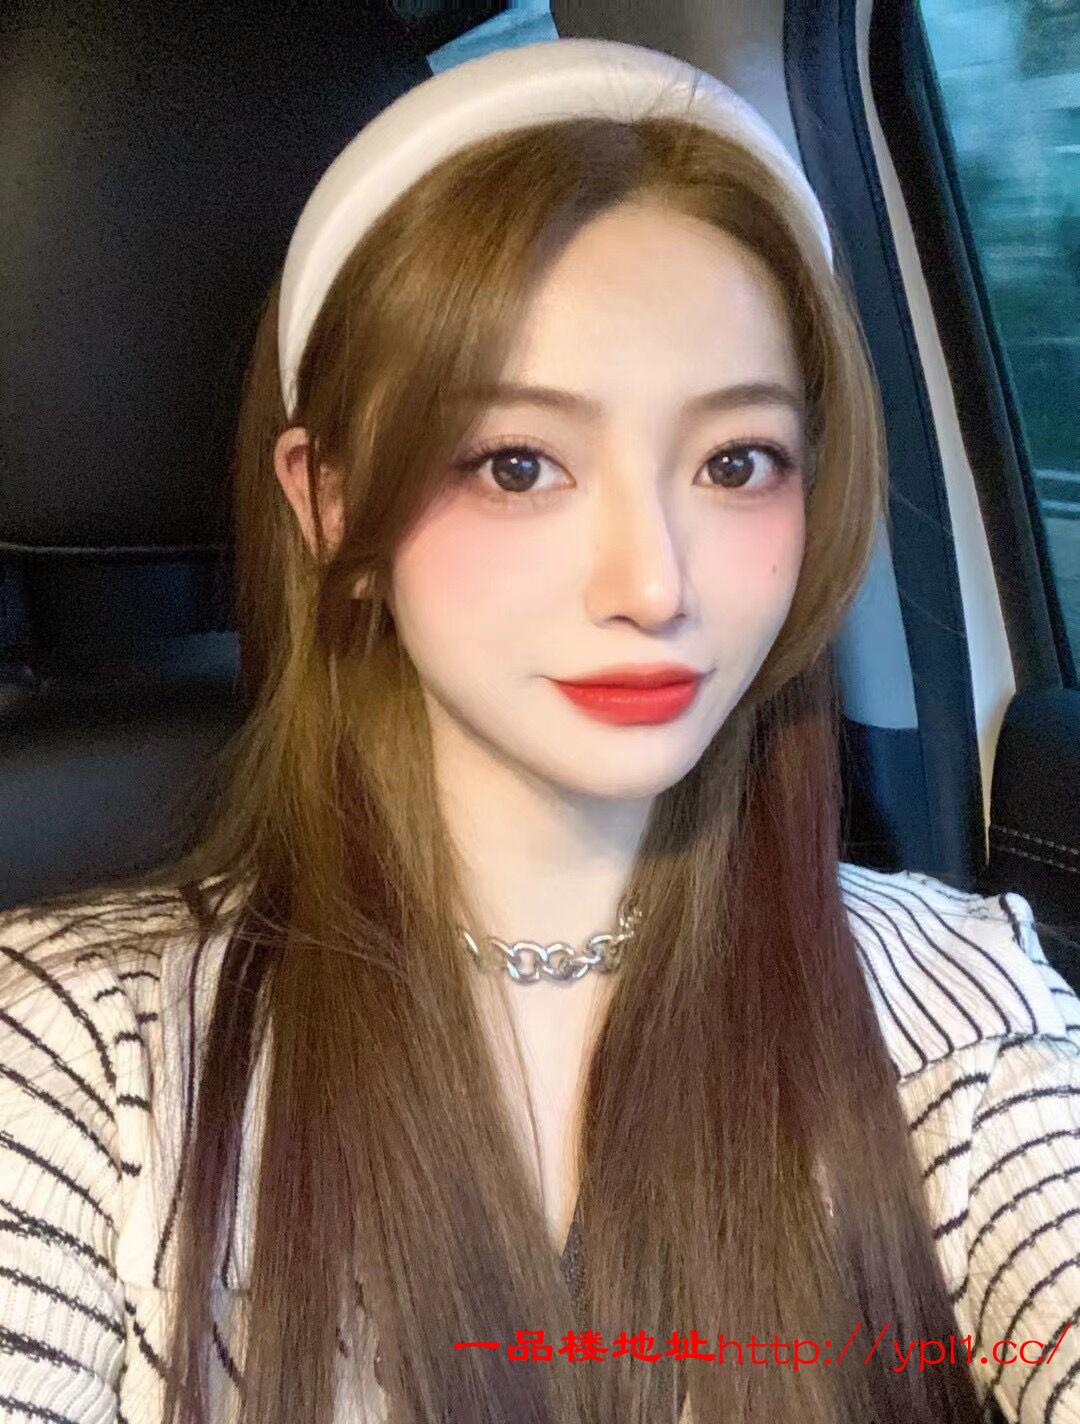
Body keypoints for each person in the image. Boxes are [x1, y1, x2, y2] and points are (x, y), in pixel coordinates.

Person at [1, 36, 1077, 1424]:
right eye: (519, 465)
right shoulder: (80, 1066)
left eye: (736, 462)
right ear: (331, 504)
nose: (655, 586)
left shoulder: (959, 1008)